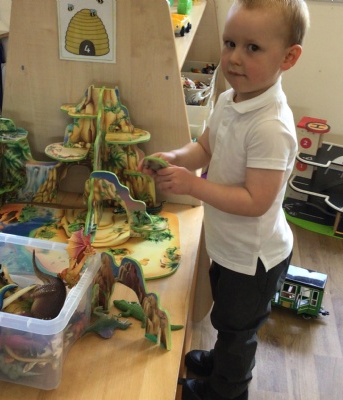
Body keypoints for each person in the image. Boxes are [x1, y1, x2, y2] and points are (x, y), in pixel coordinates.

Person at [138, 1, 310, 399]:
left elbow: (255, 201)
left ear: (288, 58)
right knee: (227, 315)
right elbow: (205, 147)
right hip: (230, 247)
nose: (234, 57)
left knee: (238, 330)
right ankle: (220, 363)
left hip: (254, 260)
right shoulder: (231, 99)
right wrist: (177, 157)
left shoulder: (271, 127)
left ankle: (227, 390)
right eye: (230, 43)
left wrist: (193, 185)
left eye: (252, 48)